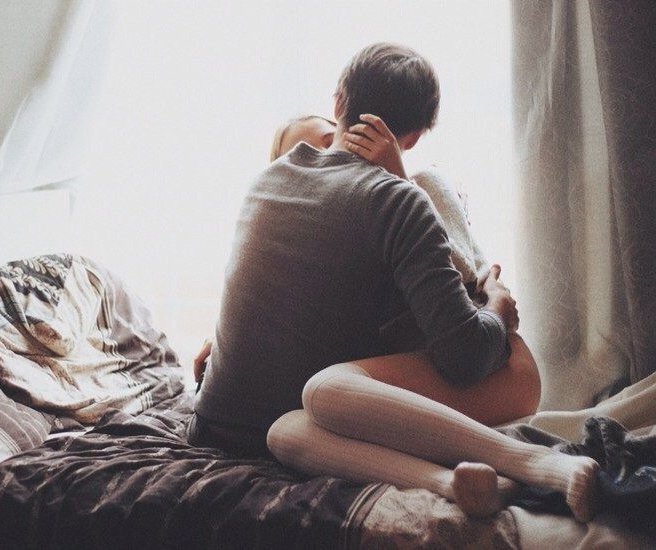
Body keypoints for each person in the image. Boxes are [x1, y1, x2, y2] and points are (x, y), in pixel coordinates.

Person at [188, 42, 598, 521]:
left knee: (302, 412)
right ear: (415, 136)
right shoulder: (400, 199)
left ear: (337, 102)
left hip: (219, 427)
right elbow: (465, 358)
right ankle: (536, 463)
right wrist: (497, 309)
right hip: (305, 409)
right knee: (515, 368)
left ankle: (461, 481)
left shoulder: (265, 181)